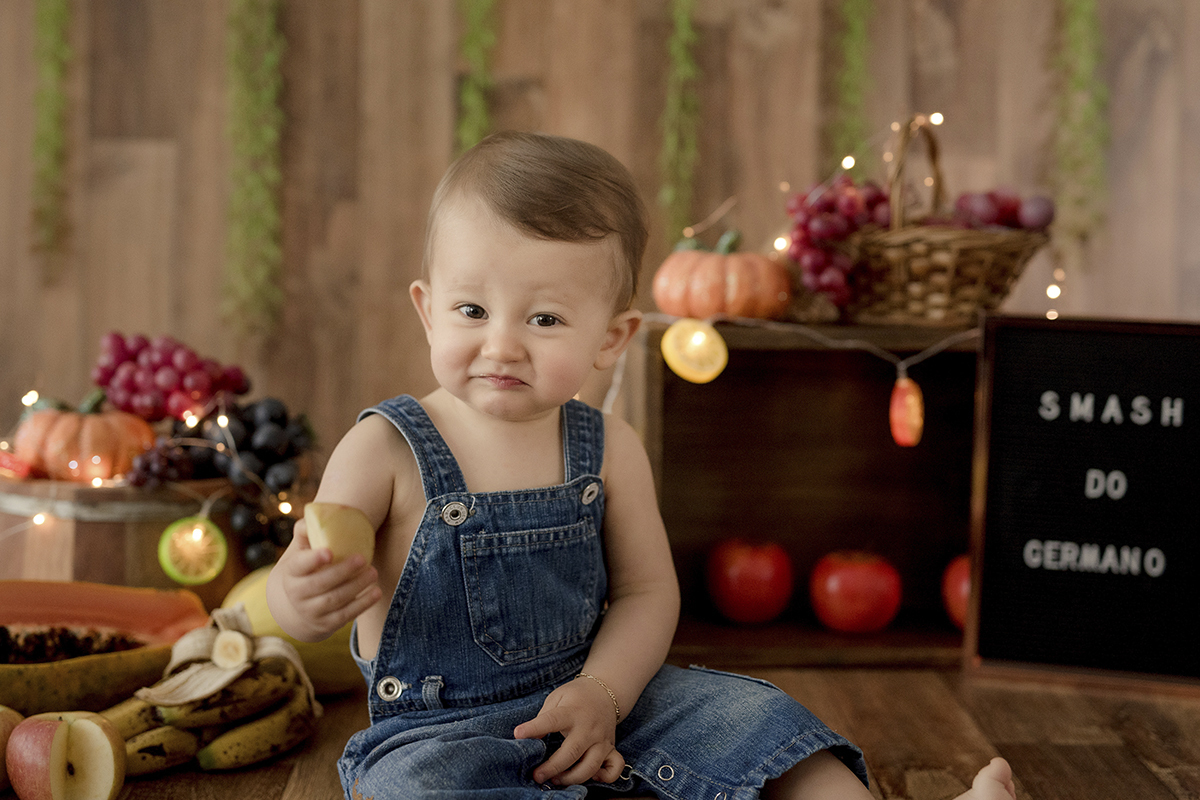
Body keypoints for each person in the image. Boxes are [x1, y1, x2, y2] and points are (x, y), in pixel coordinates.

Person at [266, 131, 1017, 800]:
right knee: (413, 788)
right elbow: (300, 600)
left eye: (545, 318)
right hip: (442, 733)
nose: (502, 345)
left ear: (610, 338)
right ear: (428, 309)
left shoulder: (608, 447)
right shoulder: (386, 448)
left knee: (753, 719)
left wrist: (604, 691)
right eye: (473, 311)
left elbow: (647, 593)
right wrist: (297, 599)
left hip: (613, 699)